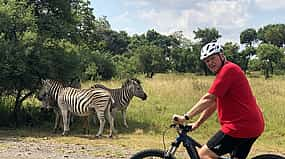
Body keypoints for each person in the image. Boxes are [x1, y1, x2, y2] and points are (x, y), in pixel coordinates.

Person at [173, 42, 264, 159]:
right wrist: (196, 124)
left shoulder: (228, 70)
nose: (210, 63)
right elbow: (214, 102)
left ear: (221, 56)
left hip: (239, 127)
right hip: (251, 125)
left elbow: (208, 98)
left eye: (213, 58)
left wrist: (185, 117)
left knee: (203, 154)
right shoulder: (226, 71)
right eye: (207, 61)